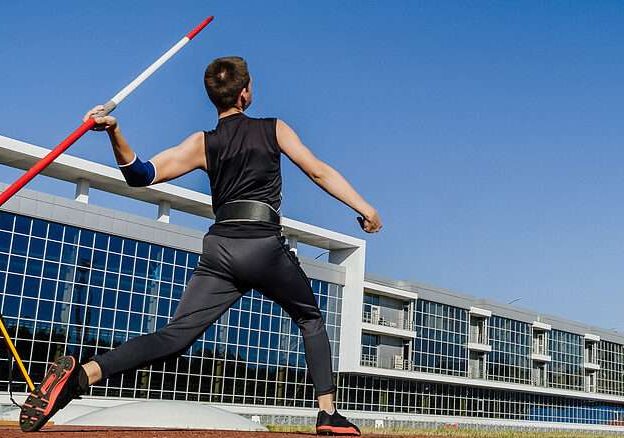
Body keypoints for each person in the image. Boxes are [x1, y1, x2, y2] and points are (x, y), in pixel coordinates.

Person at [19, 56, 382, 436]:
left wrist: (113, 130)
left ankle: (81, 375)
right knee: (310, 319)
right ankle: (328, 414)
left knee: (174, 336)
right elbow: (317, 170)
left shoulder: (201, 144)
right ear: (245, 92)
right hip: (261, 244)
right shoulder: (274, 129)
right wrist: (365, 208)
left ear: (214, 98)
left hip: (220, 248)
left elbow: (139, 175)